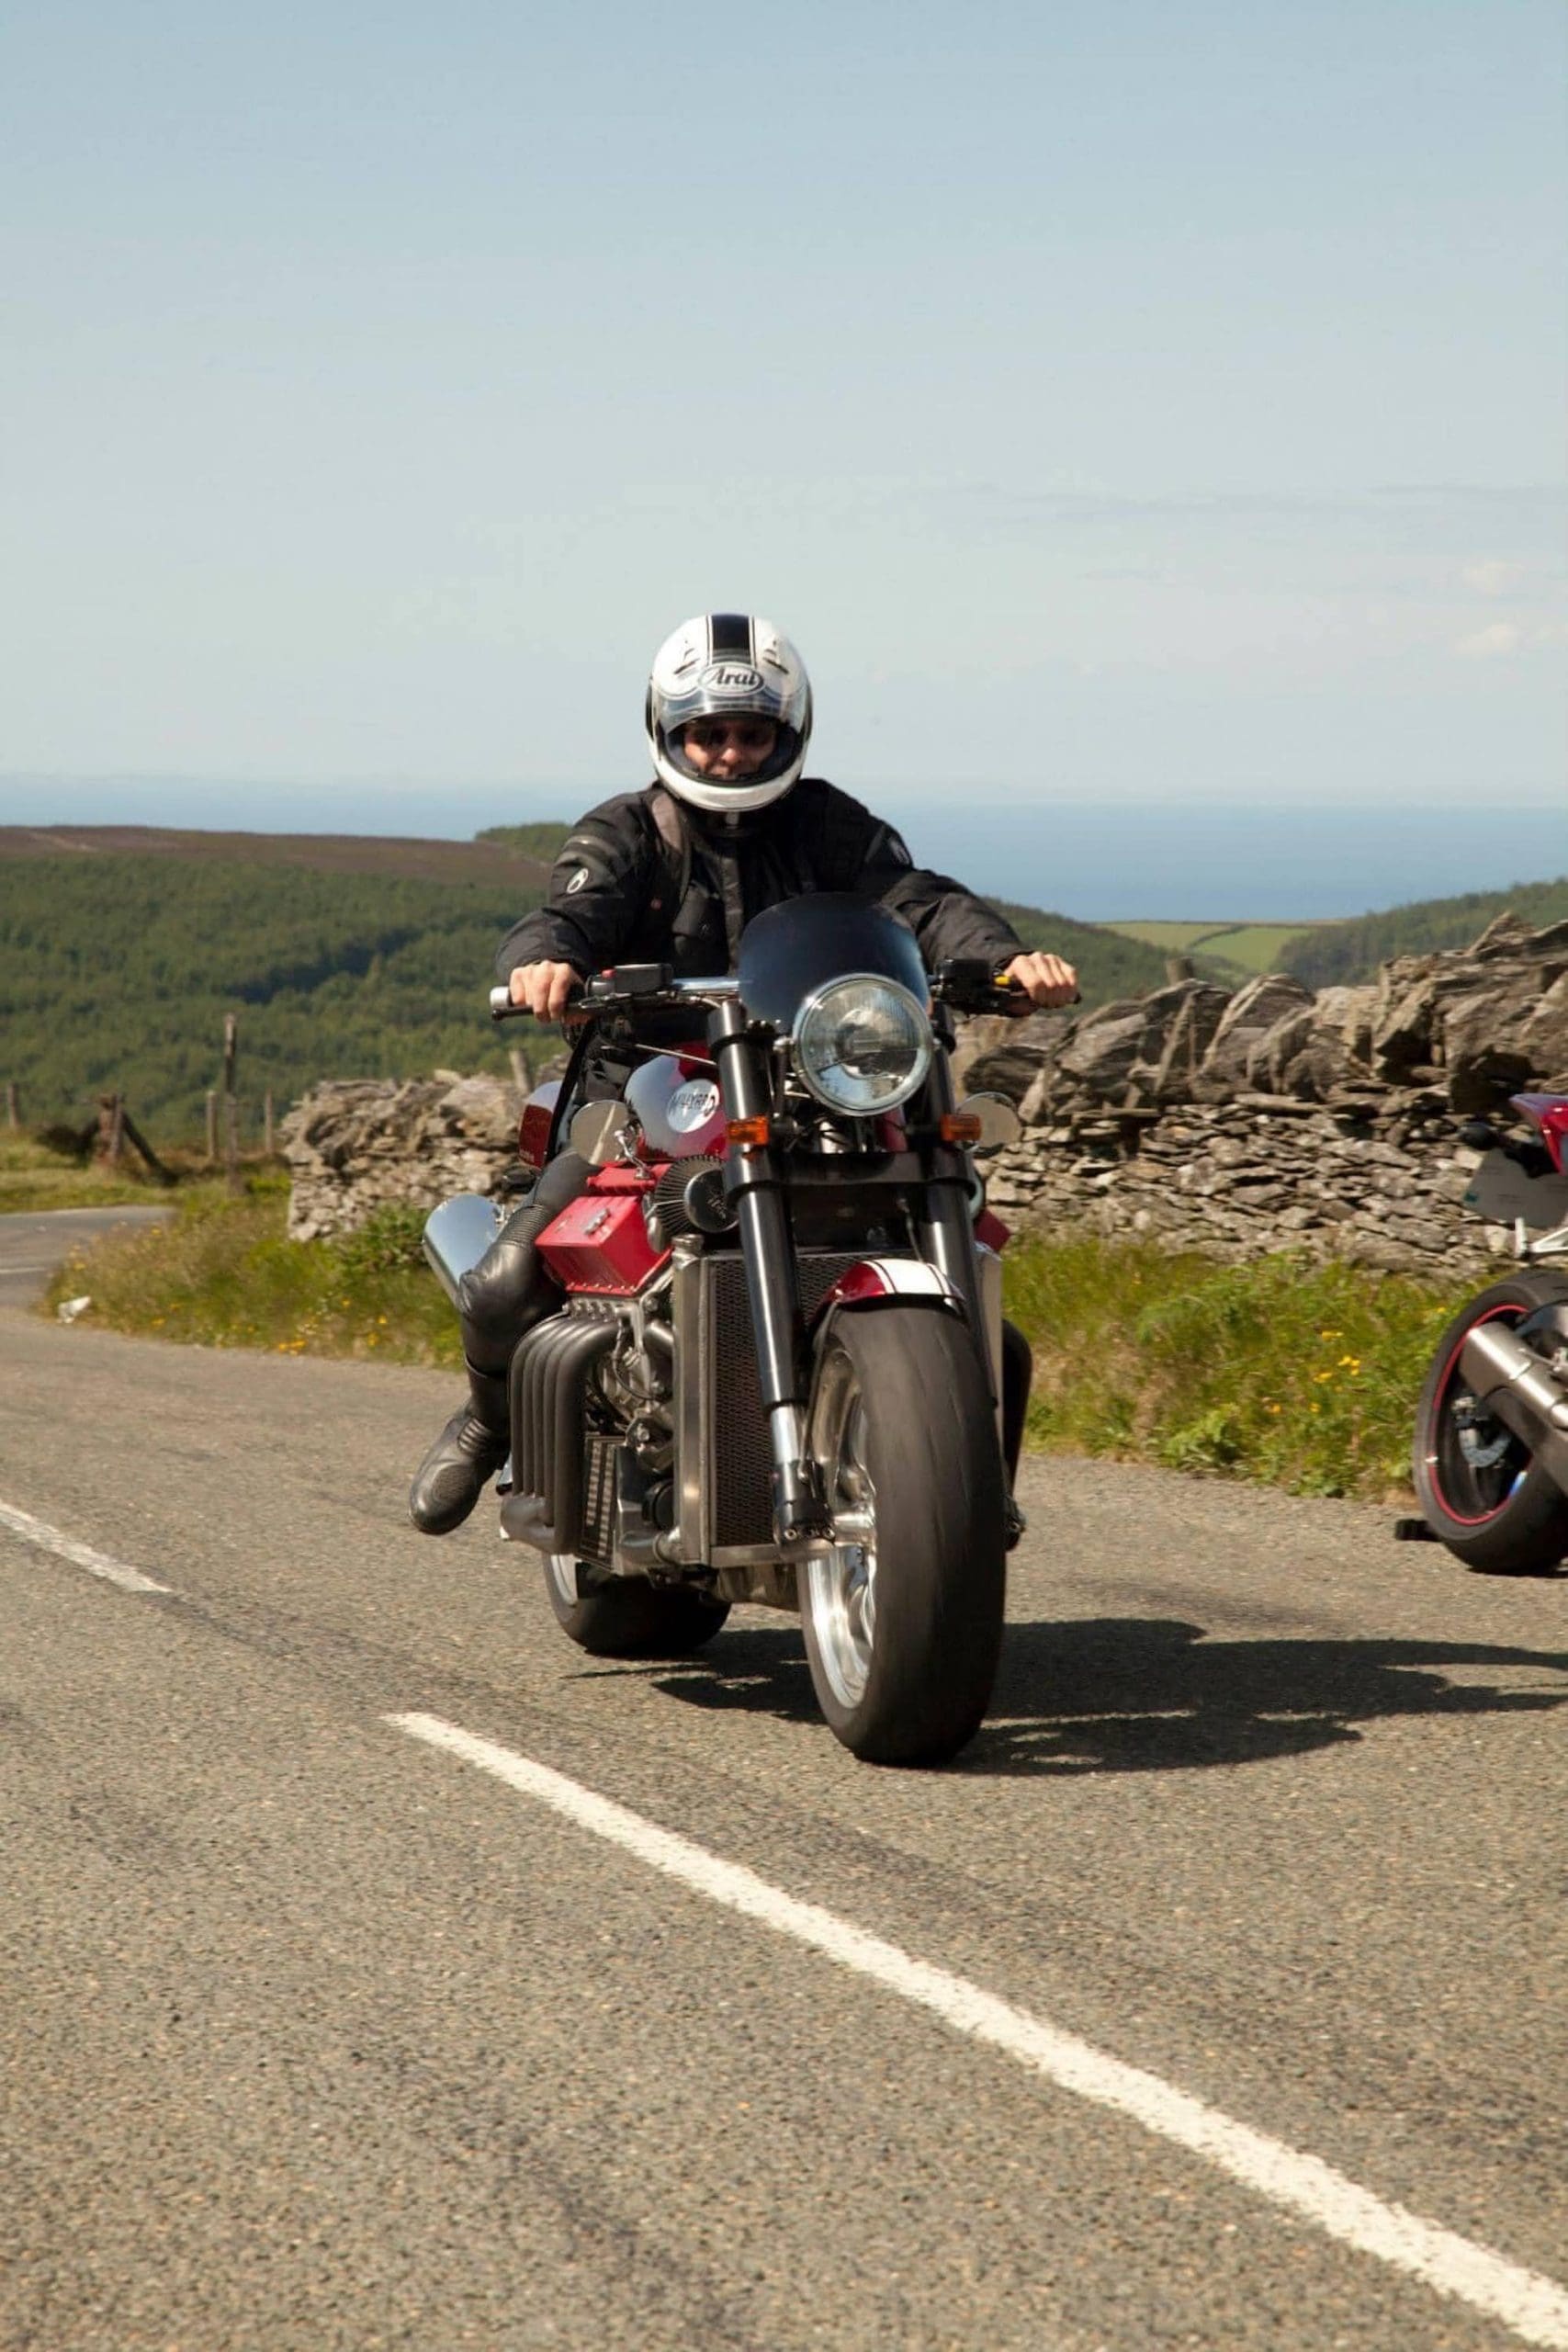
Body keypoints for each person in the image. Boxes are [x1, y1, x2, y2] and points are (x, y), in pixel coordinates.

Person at [409, 613, 1077, 1533]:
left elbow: (915, 903)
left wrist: (1004, 959)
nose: (729, 753)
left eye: (750, 733)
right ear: (671, 733)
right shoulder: (630, 831)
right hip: (644, 1082)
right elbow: (571, 906)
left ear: (786, 734)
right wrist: (548, 961)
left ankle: (958, 1489)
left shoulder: (834, 827)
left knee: (971, 1254)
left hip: (810, 1083)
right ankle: (490, 1422)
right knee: (506, 1276)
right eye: (709, 734)